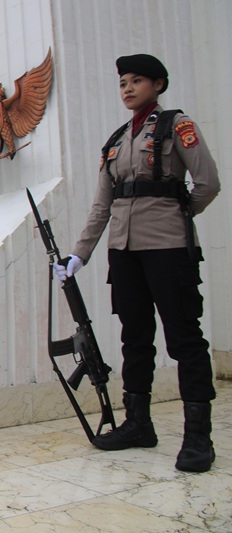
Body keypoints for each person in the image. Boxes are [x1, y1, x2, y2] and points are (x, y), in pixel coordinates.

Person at [55, 54, 220, 472]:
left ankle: (198, 437)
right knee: (135, 337)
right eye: (122, 83)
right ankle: (138, 424)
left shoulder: (177, 126)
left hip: (167, 248)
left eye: (137, 81)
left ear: (158, 84)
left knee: (184, 338)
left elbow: (208, 183)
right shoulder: (115, 140)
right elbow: (102, 205)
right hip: (123, 252)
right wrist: (79, 254)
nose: (127, 88)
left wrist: (175, 213)